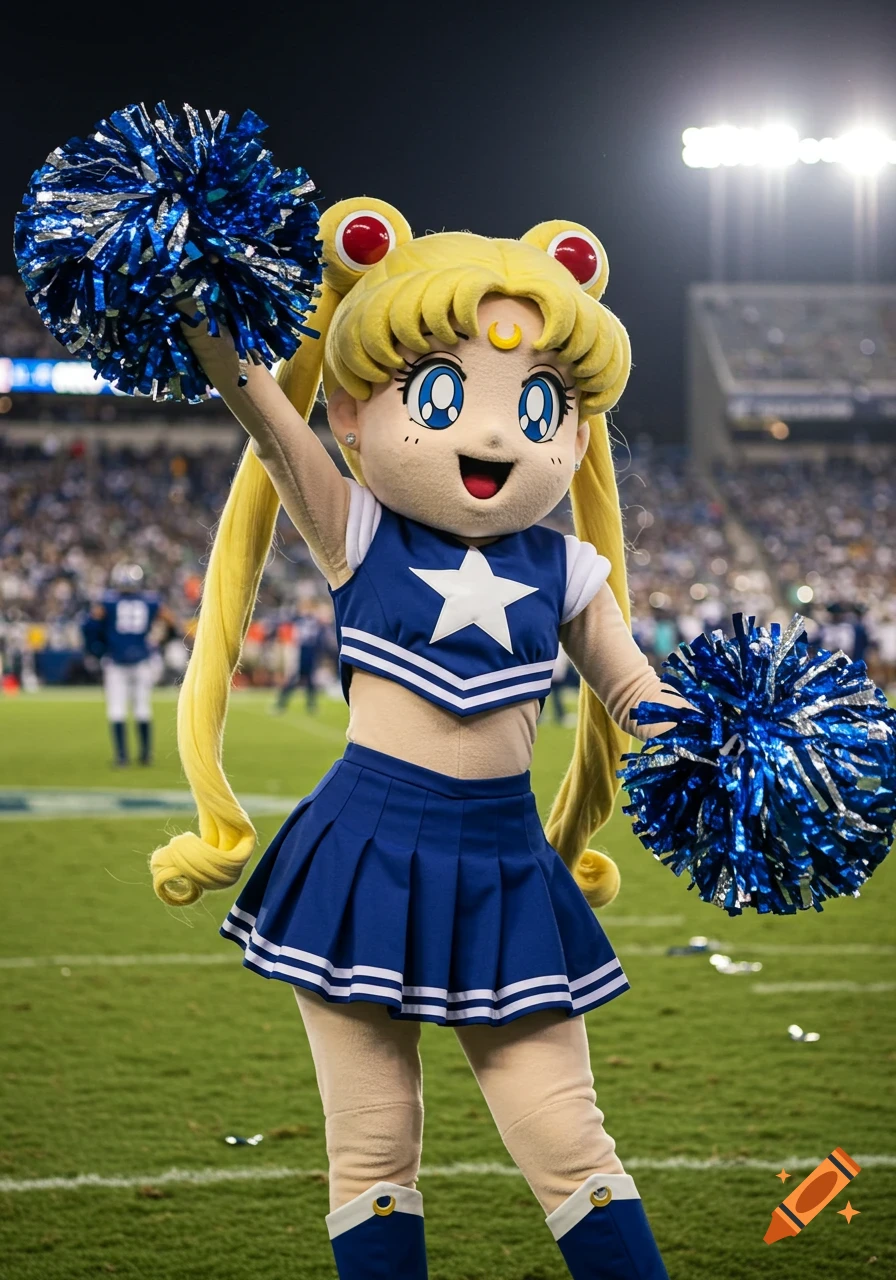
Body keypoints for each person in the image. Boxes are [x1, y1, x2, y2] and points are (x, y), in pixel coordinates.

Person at [147, 200, 683, 1280]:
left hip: (506, 864)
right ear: (351, 414)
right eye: (441, 395)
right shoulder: (357, 528)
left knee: (569, 1137)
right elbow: (263, 411)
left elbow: (633, 687)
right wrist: (185, 280)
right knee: (373, 1147)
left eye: (536, 404)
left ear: (575, 434)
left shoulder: (567, 568)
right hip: (365, 851)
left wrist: (718, 734)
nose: (491, 435)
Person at [83, 564, 160, 766]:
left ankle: (122, 756)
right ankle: (145, 755)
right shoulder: (151, 601)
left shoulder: (108, 601)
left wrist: (96, 648)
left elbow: (89, 626)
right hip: (142, 659)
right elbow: (169, 621)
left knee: (117, 708)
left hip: (116, 660)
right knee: (142, 707)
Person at [275, 604, 327, 713]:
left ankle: (311, 704)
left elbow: (319, 636)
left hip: (310, 651)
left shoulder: (314, 621)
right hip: (300, 650)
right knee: (293, 678)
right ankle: (281, 704)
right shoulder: (299, 620)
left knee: (310, 680)